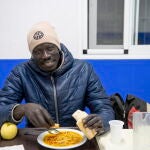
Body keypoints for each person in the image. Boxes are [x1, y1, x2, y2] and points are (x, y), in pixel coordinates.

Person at [0, 21, 114, 134]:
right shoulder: (21, 73)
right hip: (37, 137)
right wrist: (21, 109)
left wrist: (102, 121)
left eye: (50, 48)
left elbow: (105, 109)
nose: (45, 56)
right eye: (38, 51)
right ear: (32, 54)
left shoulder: (84, 70)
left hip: (75, 137)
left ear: (58, 48)